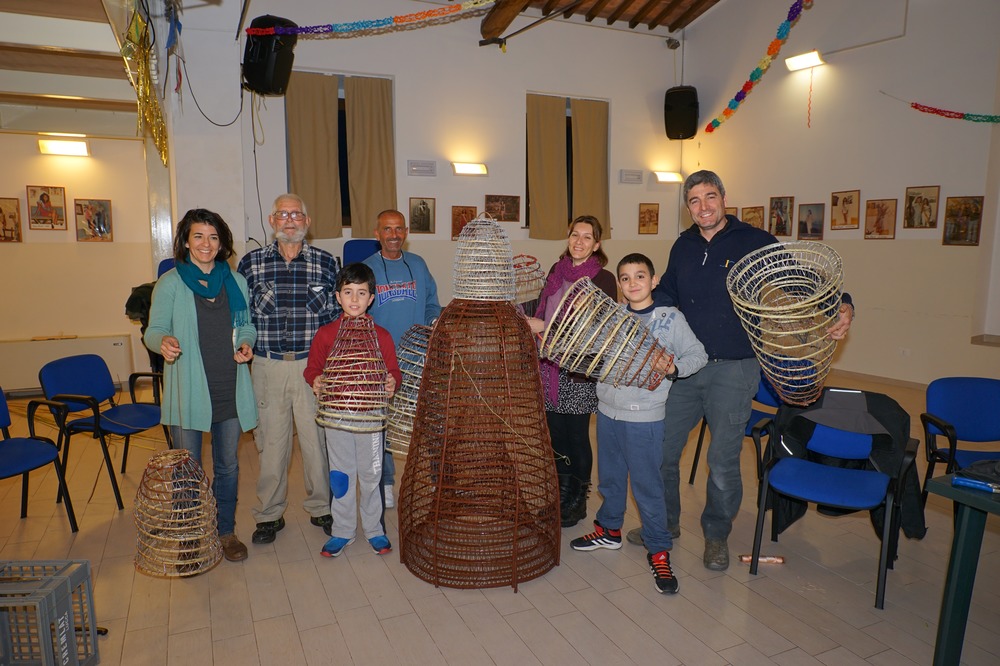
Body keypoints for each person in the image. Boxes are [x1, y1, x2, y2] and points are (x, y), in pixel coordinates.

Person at [631, 170, 854, 571]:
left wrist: (843, 304)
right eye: (695, 200)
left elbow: (801, 279)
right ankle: (663, 524)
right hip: (685, 368)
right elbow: (669, 295)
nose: (704, 206)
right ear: (688, 208)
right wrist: (642, 298)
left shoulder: (755, 242)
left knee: (722, 459)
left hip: (735, 369)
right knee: (661, 451)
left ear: (724, 198)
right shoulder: (683, 246)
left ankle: (716, 534)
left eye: (710, 197)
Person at [570, 253, 707, 595]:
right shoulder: (613, 316)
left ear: (654, 280)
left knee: (647, 487)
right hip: (607, 412)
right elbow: (597, 354)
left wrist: (673, 368)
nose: (633, 283)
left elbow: (698, 355)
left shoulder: (670, 319)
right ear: (619, 283)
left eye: (640, 276)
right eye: (626, 278)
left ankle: (658, 549)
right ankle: (610, 531)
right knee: (611, 479)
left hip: (643, 417)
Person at [144, 208, 257, 563]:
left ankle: (225, 532)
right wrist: (161, 341)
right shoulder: (171, 283)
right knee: (187, 469)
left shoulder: (236, 281)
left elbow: (247, 326)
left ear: (221, 242)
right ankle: (190, 534)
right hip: (188, 390)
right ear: (186, 241)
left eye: (213, 237)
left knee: (228, 467)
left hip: (229, 388)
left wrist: (245, 344)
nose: (206, 244)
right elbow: (154, 329)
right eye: (198, 236)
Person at [237, 194, 342, 545]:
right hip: (267, 366)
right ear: (271, 221)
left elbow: (335, 320)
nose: (290, 219)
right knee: (271, 444)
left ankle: (320, 508)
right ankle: (269, 514)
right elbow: (241, 316)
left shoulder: (327, 263)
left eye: (297, 213)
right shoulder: (251, 265)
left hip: (313, 369)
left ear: (307, 222)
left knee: (317, 443)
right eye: (283, 213)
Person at [304, 263, 402, 557]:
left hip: (371, 419)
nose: (355, 299)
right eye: (348, 292)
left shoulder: (381, 336)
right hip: (336, 419)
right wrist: (316, 379)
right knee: (341, 476)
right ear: (337, 296)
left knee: (371, 475)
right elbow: (312, 368)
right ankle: (343, 530)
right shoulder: (326, 334)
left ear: (372, 297)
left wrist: (391, 381)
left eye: (362, 293)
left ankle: (374, 529)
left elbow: (393, 370)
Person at [525, 215, 617, 528]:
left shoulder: (602, 280)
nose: (578, 242)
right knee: (556, 437)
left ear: (597, 244)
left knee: (577, 437)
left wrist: (545, 328)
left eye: (586, 237)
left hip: (578, 369)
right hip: (548, 366)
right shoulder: (556, 270)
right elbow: (543, 305)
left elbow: (596, 330)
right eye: (574, 235)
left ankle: (577, 500)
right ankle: (560, 495)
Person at [363, 209, 441, 510]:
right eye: (387, 229)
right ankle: (386, 484)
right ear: (377, 233)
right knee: (382, 426)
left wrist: (434, 321)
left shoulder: (418, 265)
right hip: (381, 364)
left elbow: (432, 303)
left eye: (398, 229)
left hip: (418, 360)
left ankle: (435, 479)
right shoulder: (367, 269)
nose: (393, 235)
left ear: (405, 232)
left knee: (428, 424)